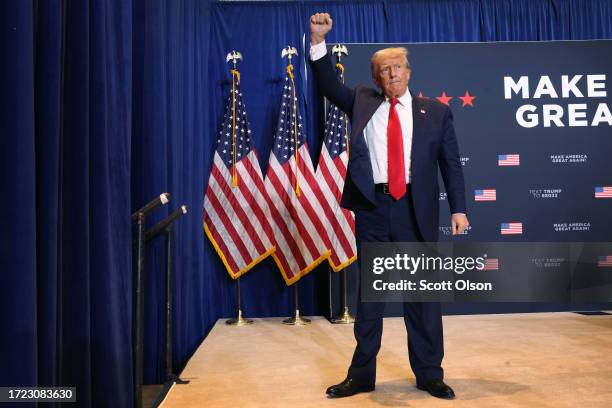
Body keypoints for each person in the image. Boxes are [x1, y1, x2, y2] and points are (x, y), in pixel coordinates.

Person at [309, 13, 470, 400]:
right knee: (371, 299)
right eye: (384, 69)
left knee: (422, 298)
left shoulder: (436, 113)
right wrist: (317, 41)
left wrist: (459, 209)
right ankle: (362, 375)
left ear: (409, 72)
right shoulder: (363, 101)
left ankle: (430, 373)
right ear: (376, 77)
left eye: (397, 67)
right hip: (375, 209)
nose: (391, 74)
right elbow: (329, 84)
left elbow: (450, 164)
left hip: (416, 210)